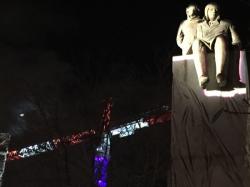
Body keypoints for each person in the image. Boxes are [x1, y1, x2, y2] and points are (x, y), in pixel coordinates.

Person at [192, 2, 241, 89]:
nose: (214, 11)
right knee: (196, 42)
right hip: (204, 46)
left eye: (216, 10)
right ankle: (202, 76)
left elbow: (236, 40)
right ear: (206, 12)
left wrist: (236, 46)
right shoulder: (199, 25)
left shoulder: (226, 23)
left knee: (220, 39)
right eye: (211, 10)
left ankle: (220, 74)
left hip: (221, 45)